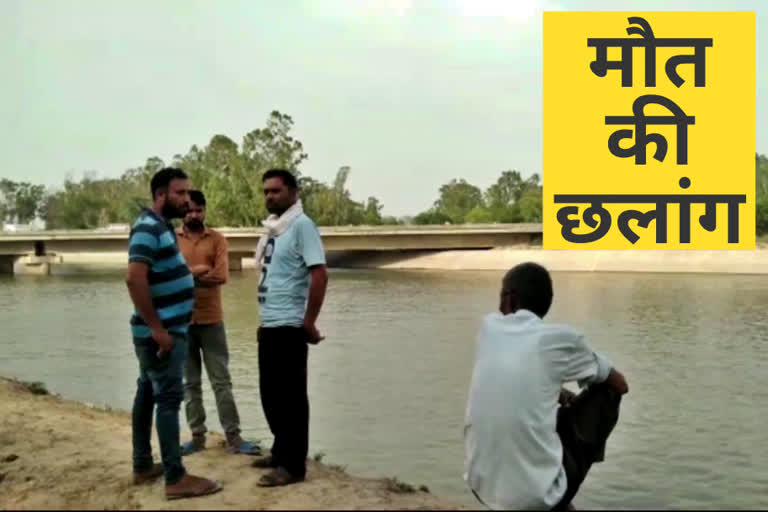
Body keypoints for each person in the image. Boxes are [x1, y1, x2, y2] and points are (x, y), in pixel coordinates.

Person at [463, 262, 629, 511]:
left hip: (481, 486)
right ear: (547, 301)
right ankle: (557, 486)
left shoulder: (487, 329)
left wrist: (555, 392)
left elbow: (514, 373)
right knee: (606, 392)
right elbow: (620, 384)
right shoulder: (561, 339)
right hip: (534, 498)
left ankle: (555, 491)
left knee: (539, 409)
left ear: (508, 300)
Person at [125, 167, 222, 500]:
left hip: (165, 329)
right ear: (161, 195)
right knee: (167, 399)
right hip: (163, 333)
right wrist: (158, 330)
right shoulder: (148, 228)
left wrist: (186, 274)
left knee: (147, 393)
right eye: (180, 194)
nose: (187, 199)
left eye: (188, 193)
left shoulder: (160, 227)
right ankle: (175, 477)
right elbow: (134, 278)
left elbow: (159, 272)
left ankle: (142, 465)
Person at [249, 168, 329, 487]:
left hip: (290, 325)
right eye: (266, 191)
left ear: (294, 192)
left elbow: (319, 274)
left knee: (292, 398)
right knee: (271, 395)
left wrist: (308, 322)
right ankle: (281, 451)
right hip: (270, 323)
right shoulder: (273, 230)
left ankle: (293, 467)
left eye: (276, 191)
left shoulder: (302, 226)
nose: (270, 196)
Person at [177, 190, 260, 456]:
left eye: (199, 210)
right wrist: (200, 272)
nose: (194, 215)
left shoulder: (218, 239)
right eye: (189, 210)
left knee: (221, 382)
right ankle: (197, 437)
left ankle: (234, 438)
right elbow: (166, 275)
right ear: (184, 212)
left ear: (205, 211)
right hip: (181, 321)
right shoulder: (171, 239)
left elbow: (222, 275)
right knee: (190, 384)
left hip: (212, 320)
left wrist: (185, 277)